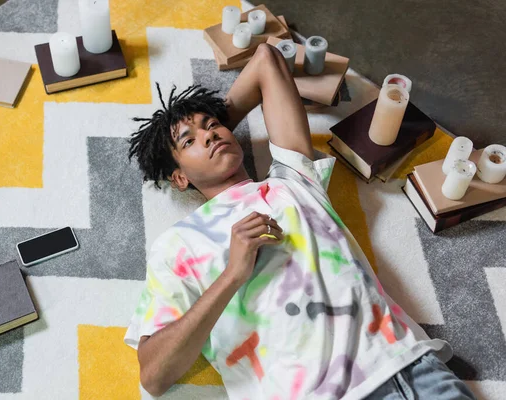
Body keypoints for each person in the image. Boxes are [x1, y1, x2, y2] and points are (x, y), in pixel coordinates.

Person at [124, 43, 475, 400]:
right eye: (189, 141)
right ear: (179, 178)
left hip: (415, 368)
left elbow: (266, 59)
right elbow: (154, 374)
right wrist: (233, 274)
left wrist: (197, 120)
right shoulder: (178, 245)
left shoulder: (291, 180)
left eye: (213, 126)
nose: (210, 134)